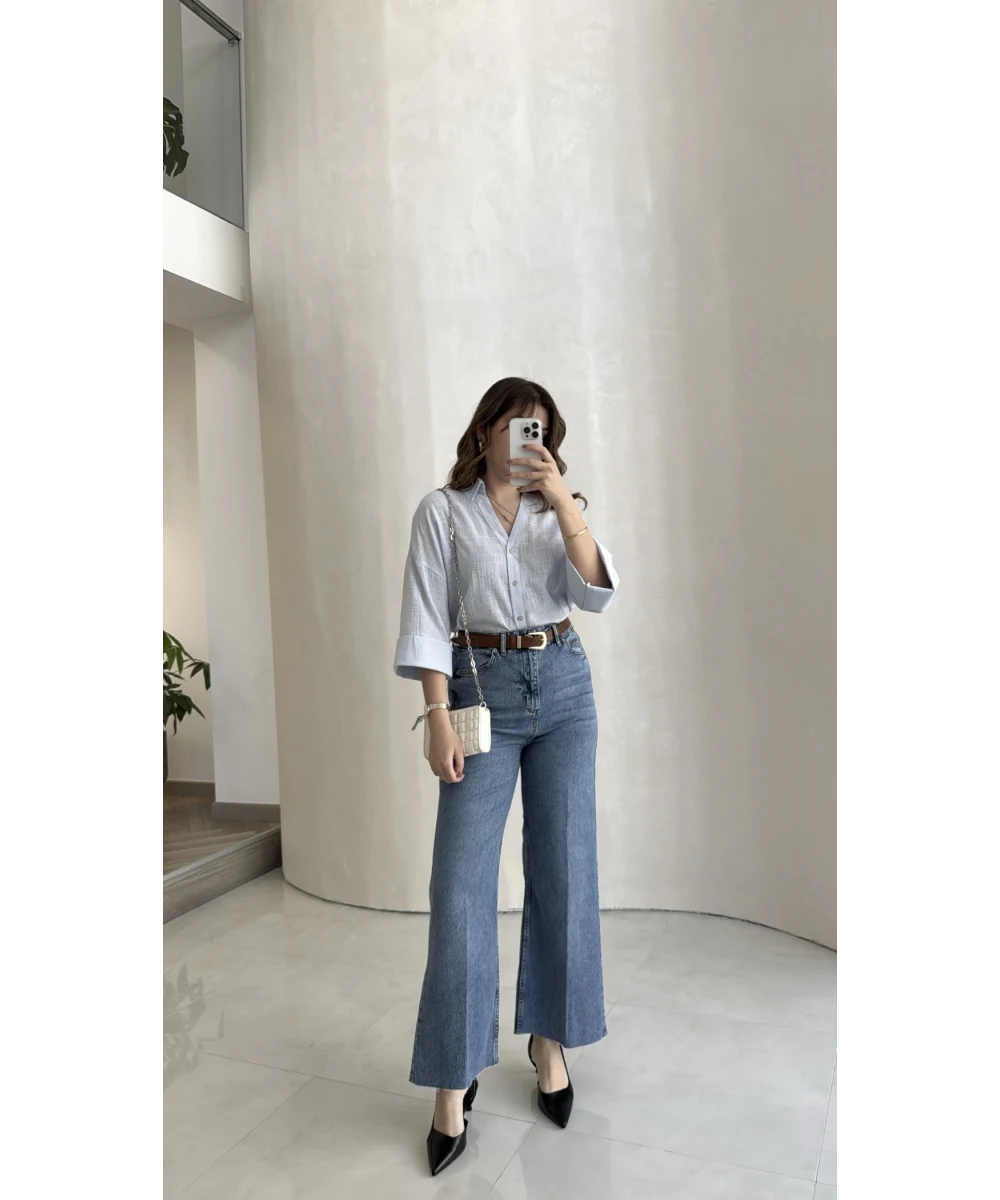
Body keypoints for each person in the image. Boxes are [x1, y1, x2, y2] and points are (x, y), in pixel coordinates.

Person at [394, 377, 619, 1176]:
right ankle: (452, 1077)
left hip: (563, 686)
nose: (532, 440)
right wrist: (436, 715)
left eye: (544, 431)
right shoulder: (442, 512)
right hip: (477, 690)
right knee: (459, 888)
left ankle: (549, 1041)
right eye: (521, 426)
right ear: (488, 428)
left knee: (565, 870)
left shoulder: (557, 508)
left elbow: (595, 592)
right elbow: (426, 616)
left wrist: (560, 501)